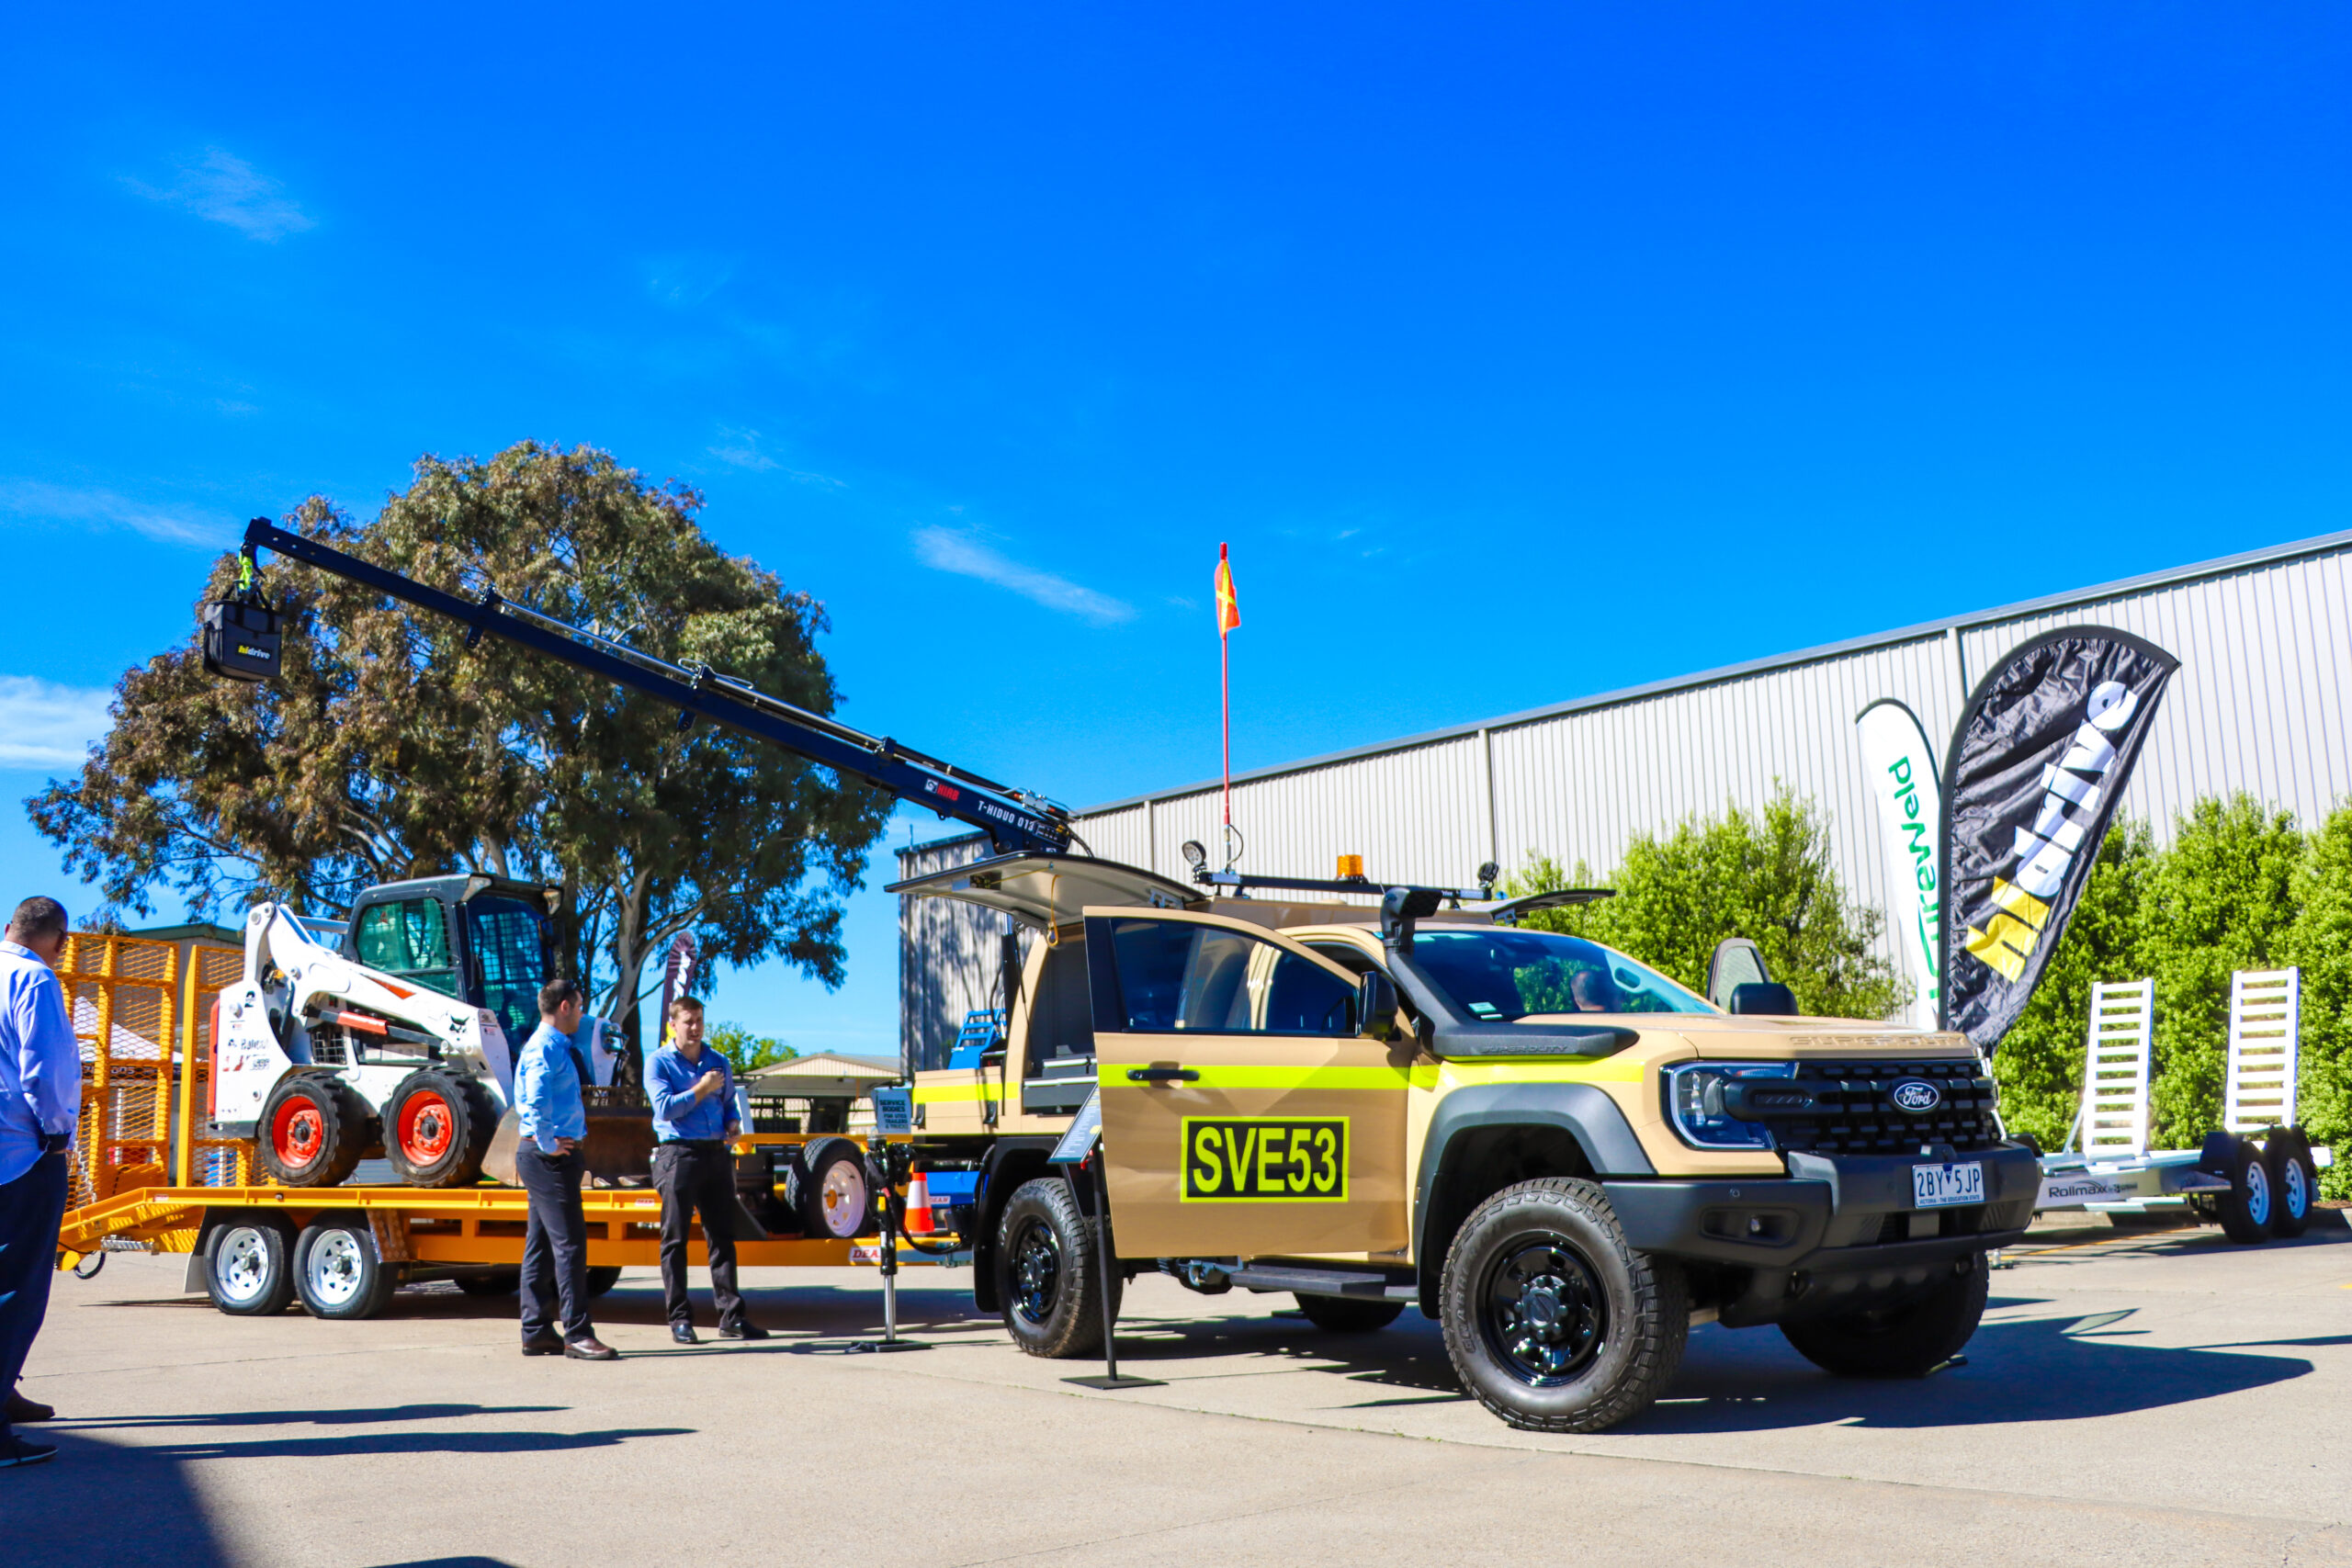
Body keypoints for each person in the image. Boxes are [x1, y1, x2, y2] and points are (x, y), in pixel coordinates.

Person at [0, 897, 77, 1469]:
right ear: (58, 938)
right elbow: (45, 1068)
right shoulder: (36, 978)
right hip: (20, 1155)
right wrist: (57, 1135)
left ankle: (6, 1388)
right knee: (17, 1288)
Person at [646, 997, 768, 1344]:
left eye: (699, 1020)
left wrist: (733, 1124)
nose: (695, 1027)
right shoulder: (659, 1063)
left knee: (722, 1239)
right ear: (673, 1025)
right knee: (675, 1239)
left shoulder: (718, 1062)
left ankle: (732, 1318)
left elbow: (729, 1102)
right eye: (688, 1021)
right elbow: (666, 1109)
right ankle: (680, 1319)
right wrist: (700, 1089)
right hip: (678, 1154)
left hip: (716, 1154)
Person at [514, 978, 617, 1361]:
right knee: (571, 1245)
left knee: (540, 1246)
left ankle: (537, 1331)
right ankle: (577, 1333)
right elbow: (536, 1099)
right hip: (548, 1158)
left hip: (547, 1156)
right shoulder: (546, 1047)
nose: (583, 1013)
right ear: (564, 1008)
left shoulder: (554, 1045)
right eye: (580, 1005)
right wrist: (548, 1143)